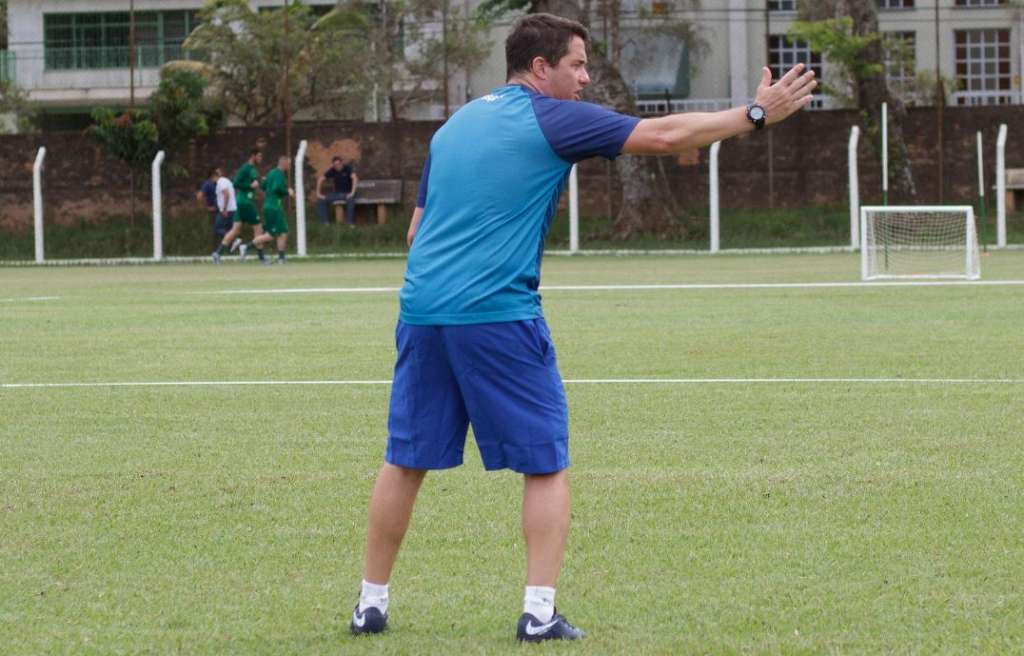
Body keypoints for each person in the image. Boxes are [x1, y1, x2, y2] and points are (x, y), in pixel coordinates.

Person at [350, 13, 816, 643]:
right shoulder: (551, 115)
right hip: (498, 316)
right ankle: (538, 614)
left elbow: (415, 233)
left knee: (404, 459)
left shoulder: (453, 127)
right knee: (545, 463)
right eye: (577, 64)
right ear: (540, 68)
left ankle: (369, 604)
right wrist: (755, 115)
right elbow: (663, 134)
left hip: (423, 313)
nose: (585, 77)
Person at [239, 155, 293, 264]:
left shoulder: (271, 172)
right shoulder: (279, 174)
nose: (290, 166)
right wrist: (288, 191)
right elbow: (277, 188)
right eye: (289, 164)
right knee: (271, 235)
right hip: (274, 207)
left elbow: (263, 186)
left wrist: (267, 181)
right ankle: (245, 247)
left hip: (270, 206)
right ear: (284, 164)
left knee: (283, 232)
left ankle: (281, 258)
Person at [212, 149, 264, 263]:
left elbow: (256, 183)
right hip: (246, 202)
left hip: (241, 203)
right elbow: (235, 183)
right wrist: (250, 186)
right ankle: (261, 258)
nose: (261, 158)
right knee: (258, 228)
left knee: (235, 230)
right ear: (253, 156)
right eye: (259, 156)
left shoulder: (252, 169)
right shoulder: (246, 168)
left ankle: (217, 253)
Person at [316, 156, 359, 225]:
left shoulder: (347, 168)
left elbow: (354, 178)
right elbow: (320, 179)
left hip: (348, 193)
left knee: (350, 200)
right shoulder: (332, 170)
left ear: (342, 163)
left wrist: (352, 192)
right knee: (320, 201)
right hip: (337, 194)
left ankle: (349, 223)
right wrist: (318, 193)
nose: (337, 166)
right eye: (335, 165)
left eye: (339, 164)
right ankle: (324, 223)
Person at [197, 168, 229, 249]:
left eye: (220, 173)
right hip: (216, 211)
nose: (219, 174)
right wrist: (207, 207)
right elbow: (199, 196)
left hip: (224, 209)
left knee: (223, 228)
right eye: (217, 173)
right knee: (216, 230)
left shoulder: (222, 183)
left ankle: (228, 246)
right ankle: (218, 247)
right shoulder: (208, 184)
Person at [214, 167, 237, 232]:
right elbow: (233, 193)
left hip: (227, 210)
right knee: (229, 229)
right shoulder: (227, 180)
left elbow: (226, 194)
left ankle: (234, 239)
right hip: (232, 209)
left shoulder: (220, 182)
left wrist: (224, 209)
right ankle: (233, 241)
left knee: (217, 228)